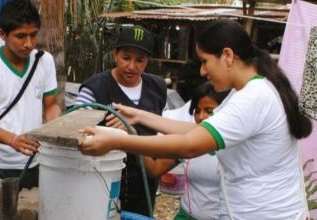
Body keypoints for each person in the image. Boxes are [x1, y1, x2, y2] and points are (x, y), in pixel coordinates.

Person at [79, 20, 312, 219]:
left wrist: (118, 140)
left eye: (204, 61)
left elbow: (190, 144)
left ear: (227, 56)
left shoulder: (253, 98)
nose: (202, 71)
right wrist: (140, 116)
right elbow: (196, 129)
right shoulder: (249, 90)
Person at [75, 25, 167, 216]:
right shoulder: (95, 89)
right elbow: (76, 131)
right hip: (102, 182)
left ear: (148, 61)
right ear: (115, 55)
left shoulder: (158, 88)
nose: (132, 66)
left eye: (140, 60)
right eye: (126, 58)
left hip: (144, 186)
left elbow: (164, 133)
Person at [0, 0, 61, 189]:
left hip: (33, 162)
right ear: (2, 34)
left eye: (33, 35)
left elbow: (51, 105)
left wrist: (55, 131)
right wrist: (12, 140)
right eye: (20, 36)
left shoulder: (45, 61)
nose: (28, 43)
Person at [144, 82, 229, 220]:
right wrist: (131, 135)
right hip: (186, 216)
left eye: (209, 111)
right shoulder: (189, 141)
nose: (201, 117)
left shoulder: (234, 147)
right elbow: (155, 169)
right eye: (197, 110)